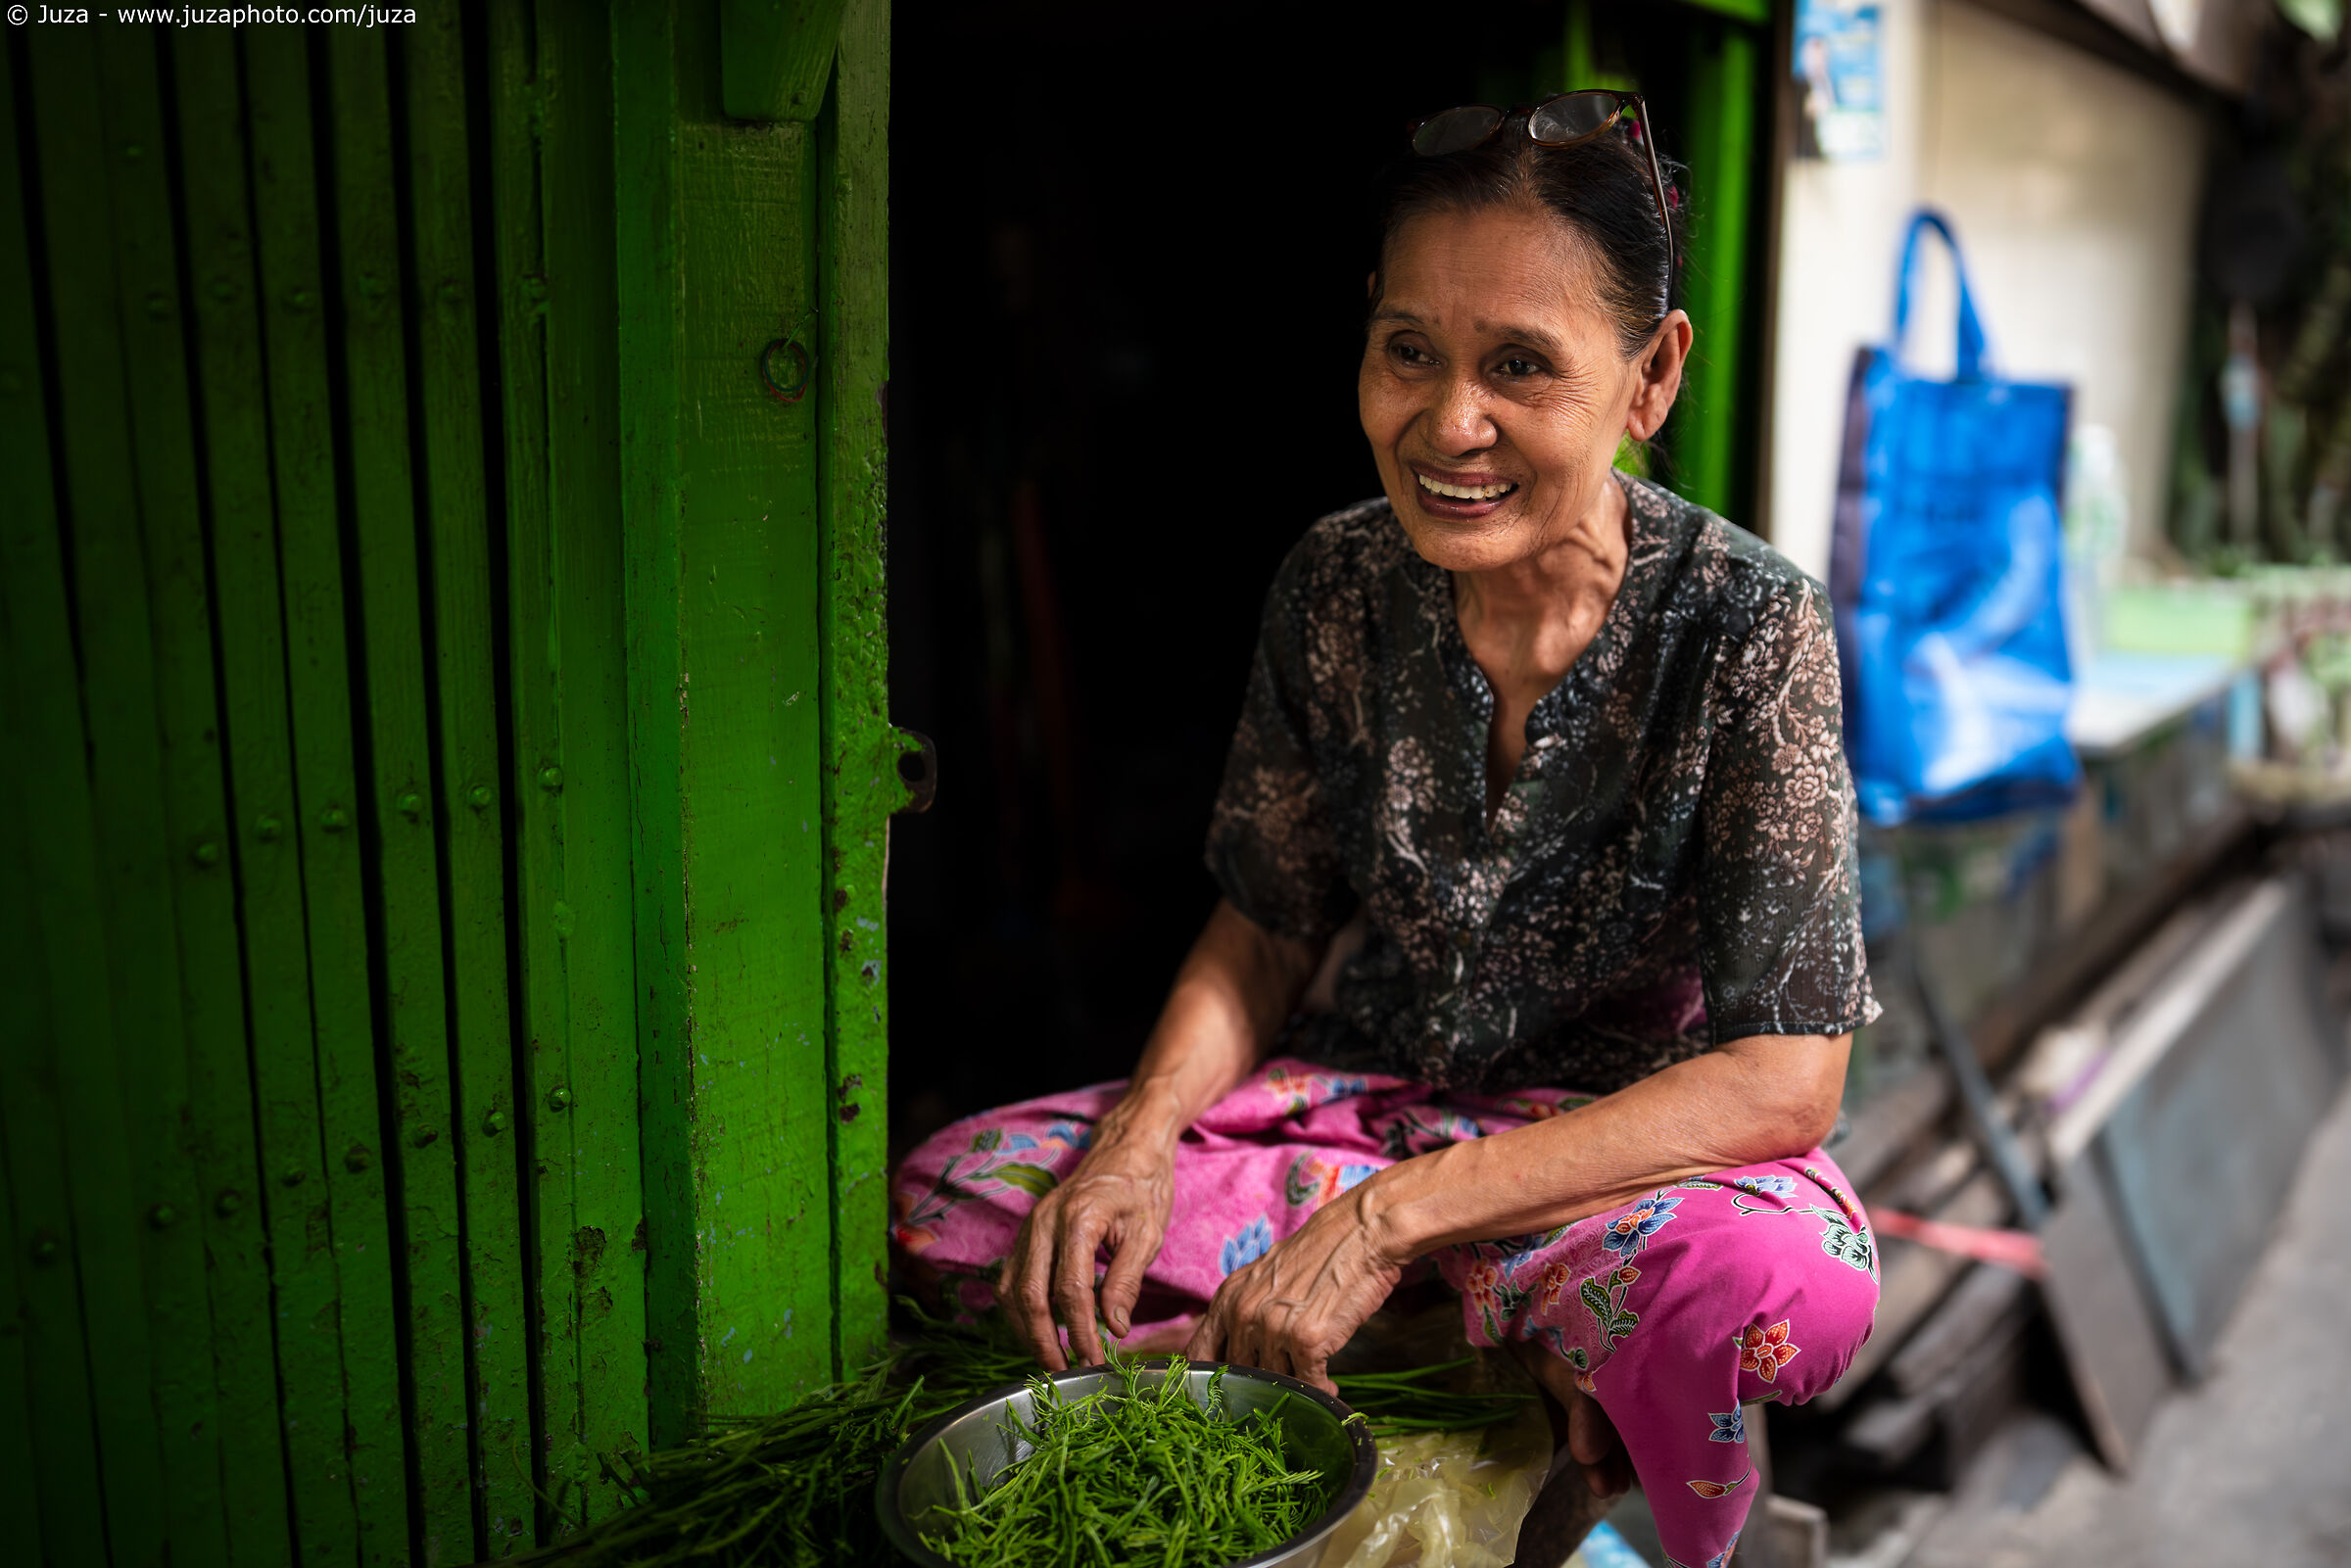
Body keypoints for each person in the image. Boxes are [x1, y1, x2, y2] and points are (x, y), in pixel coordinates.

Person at [891, 91, 1880, 1568]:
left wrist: (1395, 1224)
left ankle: (1400, 1306)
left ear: (1650, 378)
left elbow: (1788, 1078)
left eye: (1521, 366)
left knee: (1777, 1275)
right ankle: (1483, 1345)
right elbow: (1265, 922)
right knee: (968, 1197)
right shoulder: (1334, 586)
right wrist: (1139, 1140)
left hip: (1612, 1176)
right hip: (1360, 1119)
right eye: (1408, 349)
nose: (1448, 424)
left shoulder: (1745, 627)